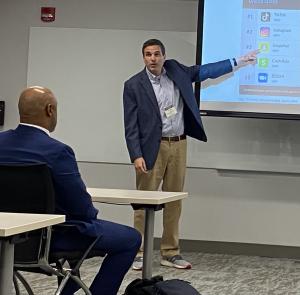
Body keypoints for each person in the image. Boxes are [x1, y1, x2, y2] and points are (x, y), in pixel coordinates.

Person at [123, 39, 258, 270]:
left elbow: (205, 71)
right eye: (148, 54)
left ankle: (170, 253)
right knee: (144, 202)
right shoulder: (133, 85)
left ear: (164, 56)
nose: (152, 59)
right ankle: (138, 252)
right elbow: (130, 124)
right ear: (143, 57)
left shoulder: (176, 71)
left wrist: (238, 61)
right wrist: (136, 154)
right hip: (150, 149)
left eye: (156, 54)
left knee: (174, 200)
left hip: (178, 144)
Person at [0, 86, 141, 295]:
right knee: (131, 238)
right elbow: (81, 208)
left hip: (7, 241)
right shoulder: (58, 151)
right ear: (50, 110)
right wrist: (90, 216)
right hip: (50, 241)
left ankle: (68, 288)